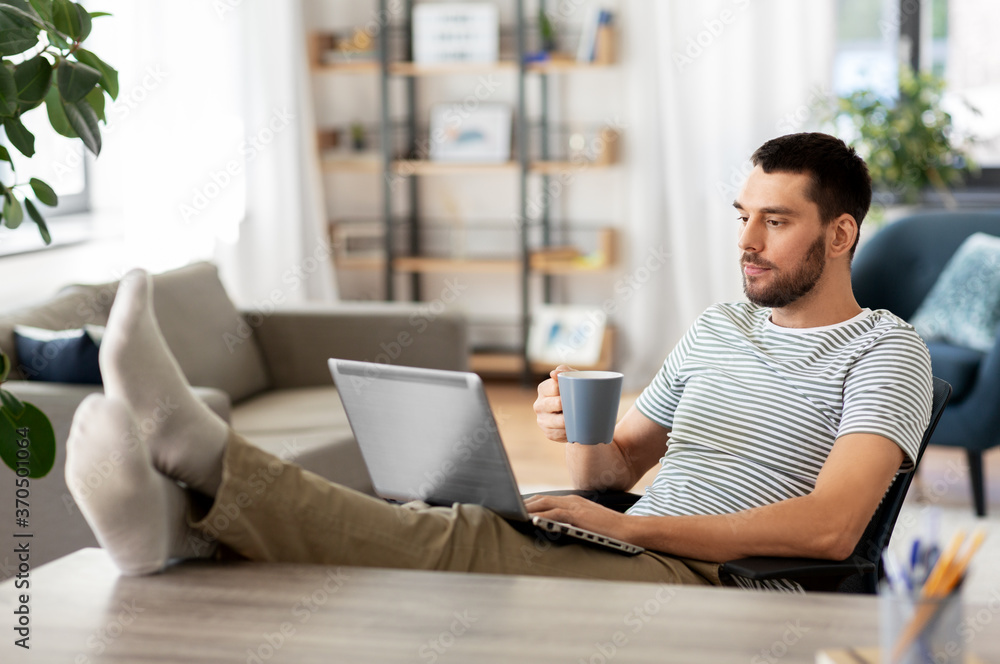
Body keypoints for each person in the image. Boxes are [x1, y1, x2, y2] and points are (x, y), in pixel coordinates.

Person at [66, 132, 931, 588]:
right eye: (741, 213)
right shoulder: (718, 327)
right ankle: (178, 531)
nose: (745, 240)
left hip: (722, 575)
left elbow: (831, 527)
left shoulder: (885, 352)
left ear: (840, 233)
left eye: (775, 221)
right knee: (433, 527)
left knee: (454, 543)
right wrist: (579, 440)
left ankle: (202, 459)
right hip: (634, 544)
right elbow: (615, 465)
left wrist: (626, 525)